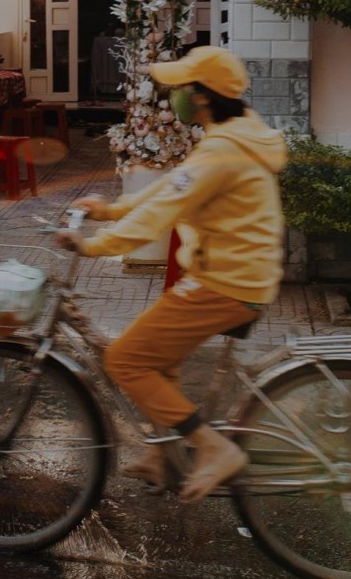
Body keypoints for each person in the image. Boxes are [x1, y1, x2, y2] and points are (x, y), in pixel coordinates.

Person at [56, 44, 287, 502]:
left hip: (226, 283)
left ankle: (213, 448)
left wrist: (95, 246)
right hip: (237, 275)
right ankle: (163, 456)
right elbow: (173, 187)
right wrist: (111, 209)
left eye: (182, 86)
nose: (175, 95)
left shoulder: (222, 149)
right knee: (158, 360)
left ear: (201, 95)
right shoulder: (238, 133)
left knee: (124, 360)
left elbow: (164, 209)